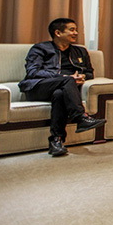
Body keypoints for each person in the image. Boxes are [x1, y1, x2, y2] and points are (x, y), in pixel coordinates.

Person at [18, 18, 107, 157]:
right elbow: (33, 72)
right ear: (58, 33)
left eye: (76, 30)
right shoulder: (40, 49)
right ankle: (80, 117)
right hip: (39, 87)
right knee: (67, 81)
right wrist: (65, 77)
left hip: (64, 89)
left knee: (59, 94)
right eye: (72, 30)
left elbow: (90, 72)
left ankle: (56, 141)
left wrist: (82, 76)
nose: (76, 33)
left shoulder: (80, 51)